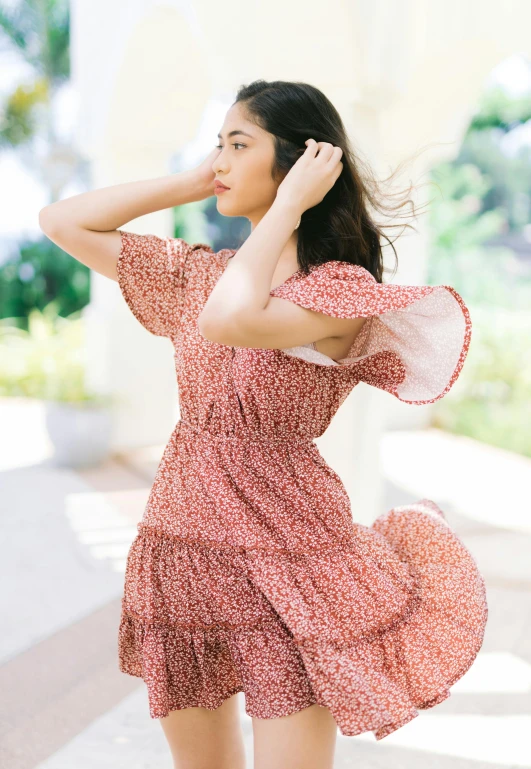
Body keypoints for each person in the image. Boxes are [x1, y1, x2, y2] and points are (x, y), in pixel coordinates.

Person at [39, 79, 488, 769]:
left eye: (237, 143)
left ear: (299, 164)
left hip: (289, 559)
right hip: (181, 552)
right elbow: (63, 222)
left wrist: (283, 208)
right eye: (215, 143)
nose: (219, 157)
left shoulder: (336, 291)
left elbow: (231, 321)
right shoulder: (200, 274)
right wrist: (195, 180)